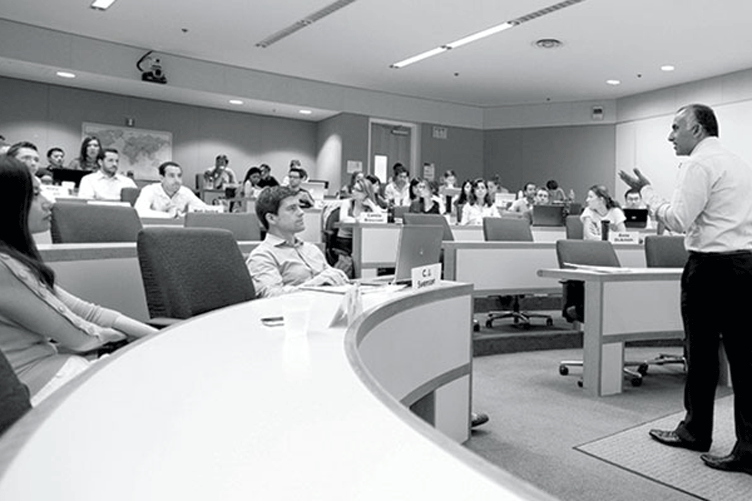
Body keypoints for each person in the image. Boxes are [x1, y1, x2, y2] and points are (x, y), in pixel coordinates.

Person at [620, 103, 752, 475]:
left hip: (710, 269)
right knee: (744, 359)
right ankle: (749, 446)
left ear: (697, 129)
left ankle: (696, 430)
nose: (670, 135)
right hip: (745, 266)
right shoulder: (739, 163)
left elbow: (678, 218)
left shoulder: (697, 164)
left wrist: (647, 193)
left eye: (676, 127)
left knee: (702, 353)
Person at [0, 155, 156, 405]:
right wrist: (116, 337)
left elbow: (86, 312)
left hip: (50, 373)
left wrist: (155, 335)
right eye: (36, 194)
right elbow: (79, 335)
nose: (49, 202)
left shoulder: (13, 260)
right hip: (39, 390)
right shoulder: (4, 266)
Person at [247, 186, 349, 298]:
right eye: (292, 208)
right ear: (271, 218)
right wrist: (316, 284)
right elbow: (271, 296)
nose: (301, 213)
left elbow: (330, 277)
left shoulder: (311, 249)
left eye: (299, 207)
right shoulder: (262, 256)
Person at [134, 161, 208, 218]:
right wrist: (169, 215)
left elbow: (205, 209)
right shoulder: (150, 190)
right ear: (162, 178)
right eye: (171, 176)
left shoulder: (185, 192)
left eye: (179, 176)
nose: (177, 180)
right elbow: (139, 212)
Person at [335, 177, 384, 254]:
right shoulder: (347, 203)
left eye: (357, 190)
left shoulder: (370, 205)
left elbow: (381, 218)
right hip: (346, 240)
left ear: (366, 193)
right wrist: (360, 219)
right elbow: (343, 219)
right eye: (354, 188)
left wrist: (371, 205)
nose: (353, 191)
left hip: (364, 239)